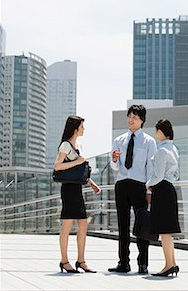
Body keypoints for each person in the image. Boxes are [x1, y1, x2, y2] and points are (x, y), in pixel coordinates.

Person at [108, 104, 157, 274]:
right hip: (122, 184)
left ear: (142, 120)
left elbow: (151, 168)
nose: (130, 120)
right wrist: (114, 160)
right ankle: (123, 262)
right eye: (129, 116)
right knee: (122, 225)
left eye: (135, 117)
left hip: (140, 186)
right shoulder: (119, 140)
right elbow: (115, 167)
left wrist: (149, 190)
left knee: (142, 224)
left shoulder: (149, 141)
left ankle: (142, 263)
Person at [54, 115, 100, 274]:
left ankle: (81, 260)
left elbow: (77, 172)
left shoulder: (77, 144)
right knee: (66, 226)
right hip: (68, 190)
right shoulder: (65, 146)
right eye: (82, 126)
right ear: (75, 129)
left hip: (77, 189)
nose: (84, 129)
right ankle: (64, 261)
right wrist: (78, 161)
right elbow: (57, 167)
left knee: (83, 224)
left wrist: (90, 182)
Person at [146, 119, 181, 277]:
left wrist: (147, 184)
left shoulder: (161, 151)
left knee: (164, 231)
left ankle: (168, 265)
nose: (155, 134)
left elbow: (158, 176)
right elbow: (176, 174)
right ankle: (172, 263)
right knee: (168, 231)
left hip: (161, 189)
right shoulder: (174, 149)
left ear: (160, 132)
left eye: (156, 130)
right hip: (170, 189)